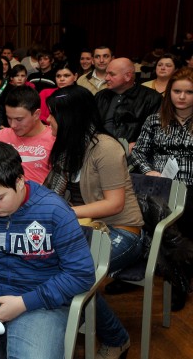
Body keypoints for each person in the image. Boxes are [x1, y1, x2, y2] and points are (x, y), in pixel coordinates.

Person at [0, 141, 95, 359]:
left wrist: (24, 303)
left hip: (40, 300)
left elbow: (81, 274)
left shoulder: (55, 211)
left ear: (19, 181)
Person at [44, 85, 140, 358]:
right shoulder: (70, 146)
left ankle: (116, 338)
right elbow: (51, 193)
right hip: (86, 229)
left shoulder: (106, 148)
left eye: (52, 114)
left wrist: (66, 213)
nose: (47, 120)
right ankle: (70, 322)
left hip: (122, 231)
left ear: (69, 117)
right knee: (52, 268)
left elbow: (114, 204)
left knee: (73, 276)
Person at [131, 67, 193, 309]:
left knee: (184, 224)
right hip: (160, 186)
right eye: (177, 91)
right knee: (163, 229)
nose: (182, 97)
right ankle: (175, 277)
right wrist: (148, 171)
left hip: (190, 187)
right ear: (169, 93)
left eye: (189, 92)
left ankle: (181, 278)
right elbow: (138, 153)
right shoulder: (154, 120)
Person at [0, 86, 54, 184]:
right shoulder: (0, 137)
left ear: (36, 114)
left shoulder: (53, 139)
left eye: (19, 119)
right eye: (9, 118)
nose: (13, 125)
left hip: (40, 192)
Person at [95, 57, 162, 150]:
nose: (106, 78)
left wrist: (137, 145)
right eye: (106, 74)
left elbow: (157, 133)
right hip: (99, 149)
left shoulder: (151, 98)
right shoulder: (100, 96)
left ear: (128, 76)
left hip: (134, 152)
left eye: (112, 74)